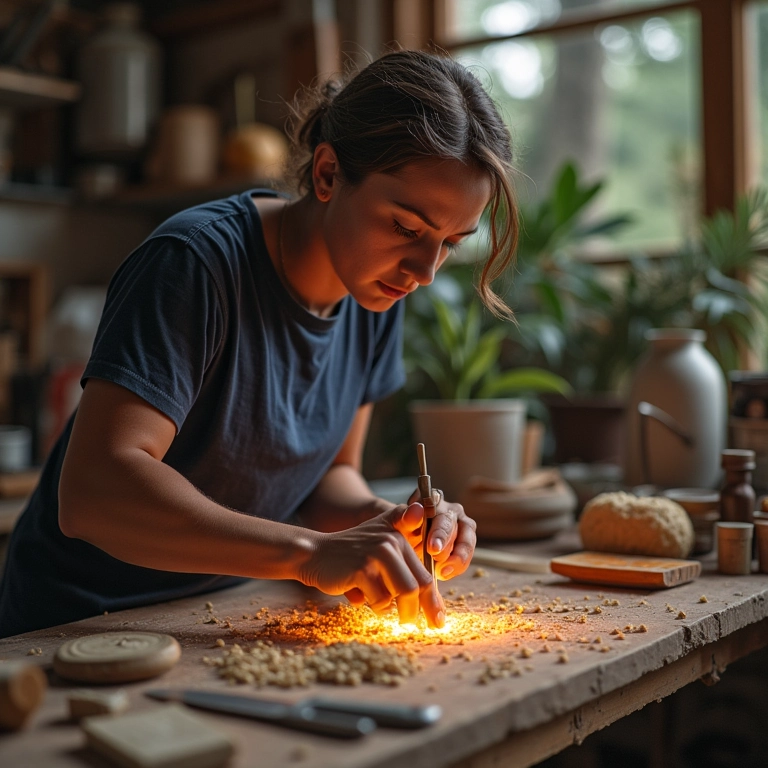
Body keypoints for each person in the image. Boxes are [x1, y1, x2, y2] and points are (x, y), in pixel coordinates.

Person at [0, 49, 518, 639]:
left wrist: (390, 526)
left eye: (451, 241)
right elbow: (94, 491)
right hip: (77, 622)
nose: (425, 270)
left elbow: (329, 477)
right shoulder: (196, 264)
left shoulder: (376, 290)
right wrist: (310, 554)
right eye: (406, 227)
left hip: (215, 608)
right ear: (327, 174)